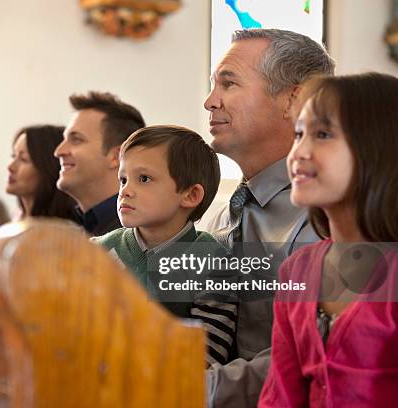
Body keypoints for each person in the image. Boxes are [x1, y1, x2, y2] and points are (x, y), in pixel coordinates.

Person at [203, 29, 335, 406]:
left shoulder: (329, 218)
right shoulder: (219, 215)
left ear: (295, 99)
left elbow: (313, 351)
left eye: (228, 83)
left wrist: (190, 386)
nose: (210, 101)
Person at [259, 72, 398, 406]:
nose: (298, 153)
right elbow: (280, 396)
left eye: (322, 134)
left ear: (378, 147)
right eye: (298, 134)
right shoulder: (297, 271)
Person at [95, 125, 236, 366]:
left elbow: (205, 358)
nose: (126, 191)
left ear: (190, 195)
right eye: (123, 179)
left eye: (144, 179)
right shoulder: (96, 252)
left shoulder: (212, 262)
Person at [55, 91, 145, 236]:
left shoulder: (140, 239)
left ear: (117, 156)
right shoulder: (79, 230)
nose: (59, 151)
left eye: (76, 139)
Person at [6, 125, 77, 221]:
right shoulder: (16, 220)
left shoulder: (64, 231)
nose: (10, 167)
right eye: (13, 156)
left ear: (48, 168)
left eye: (24, 159)